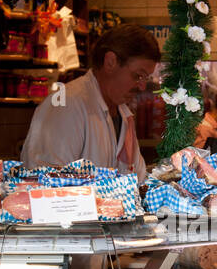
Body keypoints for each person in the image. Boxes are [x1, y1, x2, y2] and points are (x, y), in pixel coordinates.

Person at [21, 24, 160, 182]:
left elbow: (137, 179)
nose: (142, 87)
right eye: (138, 76)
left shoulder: (123, 114)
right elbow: (45, 182)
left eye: (145, 78)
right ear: (110, 62)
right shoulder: (65, 104)